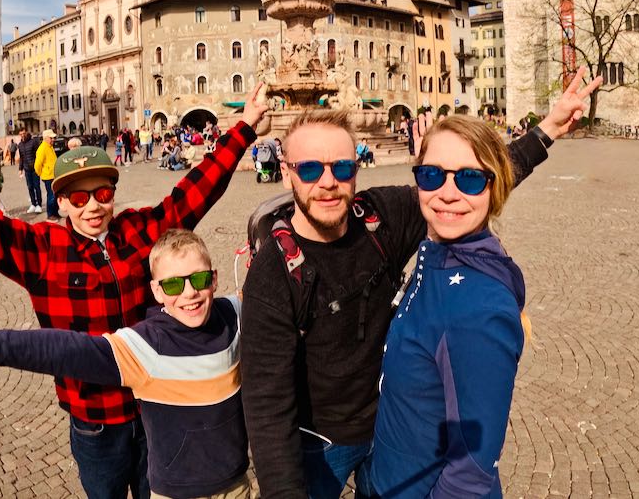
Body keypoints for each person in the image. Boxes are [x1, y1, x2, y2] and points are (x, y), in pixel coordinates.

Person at [0, 83, 267, 499]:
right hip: (95, 421)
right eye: (78, 199)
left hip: (155, 409)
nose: (93, 206)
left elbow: (198, 188)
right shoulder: (42, 249)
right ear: (59, 202)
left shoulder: (140, 231)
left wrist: (244, 127)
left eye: (101, 193)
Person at [240, 68, 600, 499]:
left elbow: (463, 185)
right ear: (286, 173)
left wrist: (546, 131)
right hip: (323, 443)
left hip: (389, 427)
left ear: (356, 168)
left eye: (342, 166)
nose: (328, 182)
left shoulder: (377, 218)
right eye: (310, 169)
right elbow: (266, 404)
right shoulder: (274, 271)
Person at [0, 231, 251, 499]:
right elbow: (61, 349)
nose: (189, 293)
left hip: (240, 484)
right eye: (174, 284)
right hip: (178, 492)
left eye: (200, 280)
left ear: (214, 279)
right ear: (157, 292)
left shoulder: (232, 314)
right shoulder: (145, 347)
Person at [357, 116, 526, 499]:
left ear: (493, 187)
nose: (447, 193)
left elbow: (473, 469)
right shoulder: (437, 254)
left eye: (469, 178)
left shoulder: (479, 308)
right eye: (432, 175)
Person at [16, 128, 42, 215]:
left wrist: (38, 165)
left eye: (24, 133)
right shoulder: (20, 145)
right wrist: (20, 169)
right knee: (30, 187)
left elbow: (38, 154)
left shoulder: (33, 142)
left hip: (35, 169)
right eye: (21, 134)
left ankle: (39, 205)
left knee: (37, 186)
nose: (22, 135)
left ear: (26, 133)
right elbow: (21, 158)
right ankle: (33, 204)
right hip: (27, 169)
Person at [35, 129, 60, 220]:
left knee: (55, 195)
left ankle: (55, 212)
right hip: (48, 176)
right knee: (51, 195)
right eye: (51, 138)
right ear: (45, 138)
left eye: (54, 138)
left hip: (53, 175)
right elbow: (37, 164)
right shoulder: (42, 148)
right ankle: (50, 214)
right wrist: (40, 173)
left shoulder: (49, 146)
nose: (53, 139)